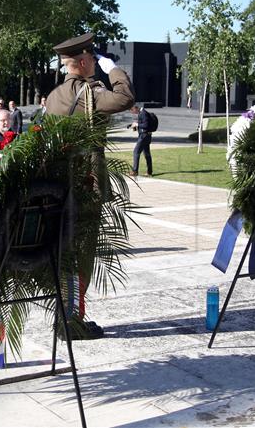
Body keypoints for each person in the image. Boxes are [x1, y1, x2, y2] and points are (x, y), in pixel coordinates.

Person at [45, 32, 135, 340]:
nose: (96, 65)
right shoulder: (90, 93)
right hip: (85, 186)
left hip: (58, 186)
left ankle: (66, 317)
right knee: (80, 255)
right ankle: (72, 322)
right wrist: (114, 71)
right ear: (83, 61)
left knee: (64, 254)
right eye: (93, 61)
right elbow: (125, 98)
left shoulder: (54, 95)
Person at [130, 105, 153, 177]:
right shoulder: (142, 113)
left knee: (136, 152)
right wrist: (133, 125)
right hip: (146, 135)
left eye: (132, 111)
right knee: (147, 154)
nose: (133, 113)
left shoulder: (143, 113)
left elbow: (145, 125)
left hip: (144, 136)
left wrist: (137, 124)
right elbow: (143, 124)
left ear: (135, 108)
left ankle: (135, 171)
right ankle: (149, 172)